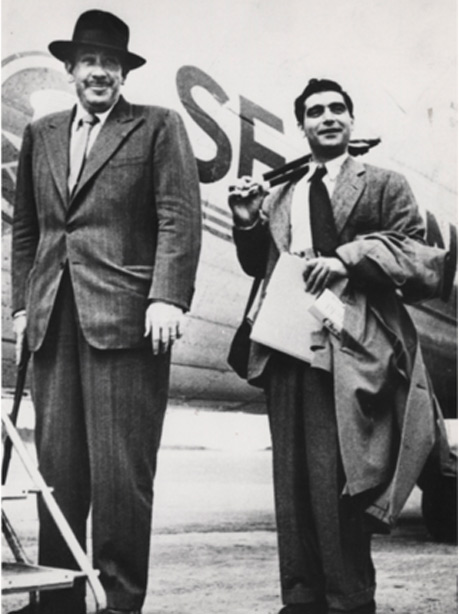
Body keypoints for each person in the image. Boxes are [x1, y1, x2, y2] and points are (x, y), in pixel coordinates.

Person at [228, 78, 450, 614]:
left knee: (345, 483)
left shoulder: (384, 183)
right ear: (301, 125)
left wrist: (347, 256)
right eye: (316, 112)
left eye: (337, 110)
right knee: (293, 483)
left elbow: (418, 257)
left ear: (350, 121)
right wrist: (246, 223)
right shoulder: (282, 193)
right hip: (286, 346)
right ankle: (300, 600)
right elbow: (262, 264)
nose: (328, 118)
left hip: (353, 348)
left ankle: (349, 601)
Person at [11, 9, 201, 614]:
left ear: (123, 74)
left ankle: (119, 601)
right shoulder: (42, 134)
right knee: (57, 472)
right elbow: (26, 232)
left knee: (122, 476)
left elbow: (178, 216)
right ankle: (57, 599)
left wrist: (167, 294)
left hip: (126, 321)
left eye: (111, 64)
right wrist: (22, 307)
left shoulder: (158, 127)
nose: (100, 73)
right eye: (90, 61)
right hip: (52, 321)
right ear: (69, 70)